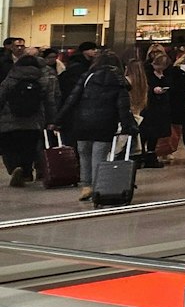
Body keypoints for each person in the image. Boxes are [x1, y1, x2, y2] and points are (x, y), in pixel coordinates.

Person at [53, 51, 137, 203]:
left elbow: (72, 99)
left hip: (82, 122)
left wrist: (58, 120)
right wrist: (128, 125)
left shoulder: (87, 77)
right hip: (105, 123)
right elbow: (123, 107)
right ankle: (98, 186)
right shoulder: (119, 81)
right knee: (99, 155)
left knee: (84, 153)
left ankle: (86, 186)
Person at [0, 54, 56, 186]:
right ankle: (26, 173)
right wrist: (52, 120)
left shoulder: (10, 78)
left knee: (9, 148)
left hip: (8, 121)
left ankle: (14, 168)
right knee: (28, 149)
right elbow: (50, 102)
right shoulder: (42, 80)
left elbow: (1, 97)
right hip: (33, 122)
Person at [136, 44, 175, 168]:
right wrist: (153, 89)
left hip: (161, 106)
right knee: (145, 131)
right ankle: (142, 155)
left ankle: (151, 154)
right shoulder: (145, 71)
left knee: (156, 133)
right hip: (148, 105)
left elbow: (171, 84)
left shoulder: (167, 72)